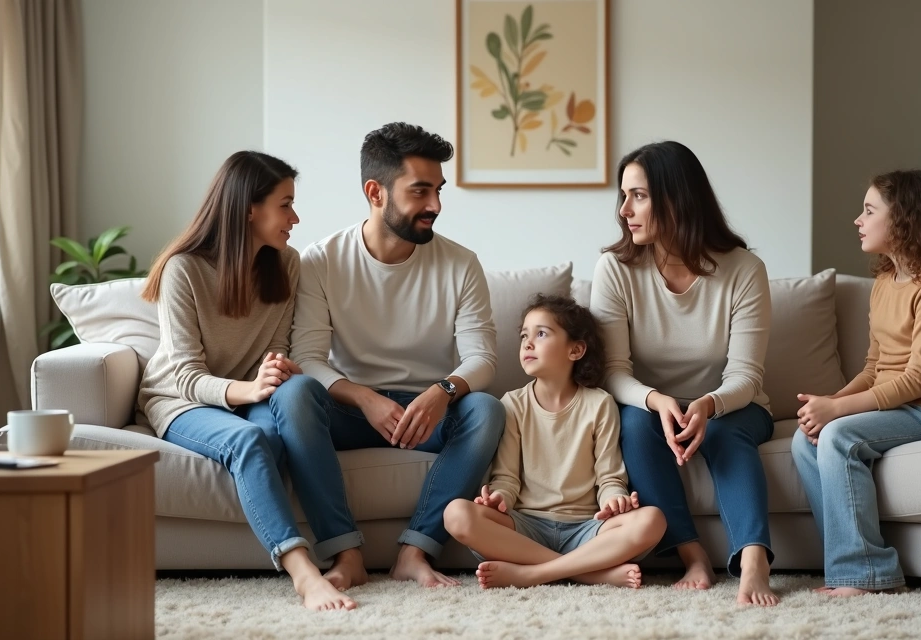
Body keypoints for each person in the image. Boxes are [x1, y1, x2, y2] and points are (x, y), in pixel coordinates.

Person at [289, 122, 506, 587]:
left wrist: (443, 391)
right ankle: (345, 554)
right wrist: (365, 398)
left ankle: (414, 552)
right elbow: (307, 358)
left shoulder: (460, 263)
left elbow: (482, 358)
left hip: (426, 412)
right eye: (420, 191)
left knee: (486, 410)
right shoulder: (321, 260)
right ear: (376, 192)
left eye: (439, 191)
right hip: (348, 410)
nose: (435, 206)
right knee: (295, 395)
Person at [138, 151, 357, 611]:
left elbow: (275, 349)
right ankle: (303, 573)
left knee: (279, 431)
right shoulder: (185, 269)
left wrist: (275, 373)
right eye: (286, 204)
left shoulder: (286, 264)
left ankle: (347, 550)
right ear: (248, 209)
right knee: (251, 444)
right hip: (181, 400)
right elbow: (183, 373)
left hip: (248, 394)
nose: (295, 218)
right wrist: (249, 391)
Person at [590, 141, 779, 606]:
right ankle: (692, 555)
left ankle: (754, 559)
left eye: (638, 196)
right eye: (623, 196)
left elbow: (747, 376)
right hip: (650, 407)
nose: (624, 210)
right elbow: (612, 372)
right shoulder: (615, 269)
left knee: (722, 432)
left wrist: (708, 404)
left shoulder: (744, 270)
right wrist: (657, 400)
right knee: (632, 423)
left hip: (732, 406)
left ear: (675, 199)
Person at [792, 169, 921, 597]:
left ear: (905, 220)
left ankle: (867, 575)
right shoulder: (883, 283)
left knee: (836, 435)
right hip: (897, 405)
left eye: (870, 210)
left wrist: (837, 412)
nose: (858, 219)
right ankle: (851, 563)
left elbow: (919, 378)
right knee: (808, 439)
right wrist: (828, 401)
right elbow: (875, 366)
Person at [443, 294, 666, 589]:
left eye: (541, 333)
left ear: (576, 350)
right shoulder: (512, 404)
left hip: (587, 529)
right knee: (456, 514)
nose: (527, 343)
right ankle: (585, 573)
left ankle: (533, 574)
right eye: (524, 335)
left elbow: (610, 477)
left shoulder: (600, 403)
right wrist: (499, 499)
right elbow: (506, 479)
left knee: (653, 520)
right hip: (525, 528)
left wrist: (614, 500)